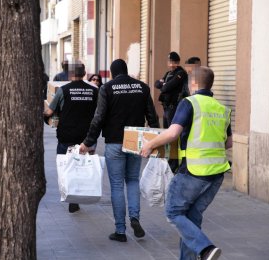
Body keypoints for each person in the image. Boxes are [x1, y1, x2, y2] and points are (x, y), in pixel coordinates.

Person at [141, 66, 232, 260]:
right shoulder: (222, 108)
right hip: (216, 174)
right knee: (192, 218)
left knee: (173, 212)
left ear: (194, 84)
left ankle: (206, 249)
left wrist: (150, 145)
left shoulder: (189, 103)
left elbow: (173, 132)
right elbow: (228, 143)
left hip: (193, 171)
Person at [79, 59, 159, 242]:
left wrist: (88, 142)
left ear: (112, 73)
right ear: (126, 70)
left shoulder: (107, 88)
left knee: (116, 185)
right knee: (132, 180)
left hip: (114, 142)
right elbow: (152, 117)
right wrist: (156, 142)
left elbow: (98, 118)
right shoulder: (142, 87)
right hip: (136, 142)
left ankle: (120, 231)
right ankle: (135, 218)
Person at [44, 61, 98, 213]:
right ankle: (77, 196)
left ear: (71, 74)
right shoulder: (94, 91)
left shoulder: (63, 90)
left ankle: (70, 196)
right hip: (86, 138)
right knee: (82, 166)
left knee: (66, 166)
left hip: (66, 136)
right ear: (84, 74)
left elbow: (49, 112)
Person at [155, 51, 188, 128]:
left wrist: (163, 84)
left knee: (171, 131)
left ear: (177, 62)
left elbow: (167, 87)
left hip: (174, 107)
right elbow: (156, 84)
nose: (171, 63)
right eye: (170, 61)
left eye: (173, 61)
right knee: (166, 130)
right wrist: (163, 84)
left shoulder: (181, 73)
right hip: (166, 107)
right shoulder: (168, 73)